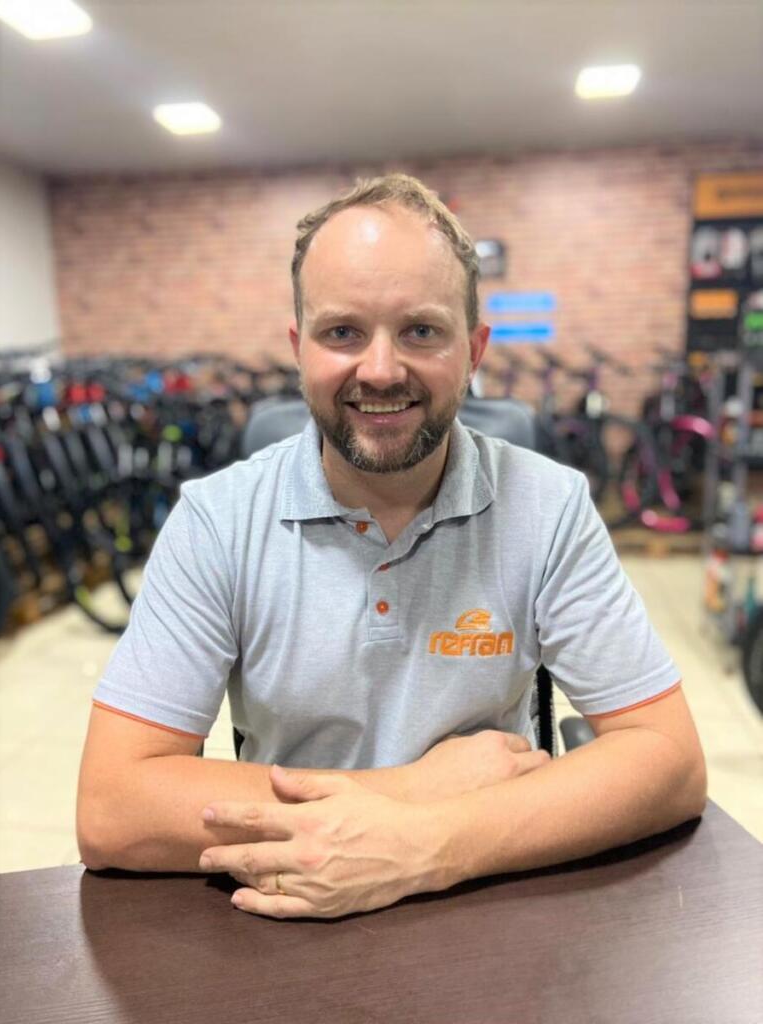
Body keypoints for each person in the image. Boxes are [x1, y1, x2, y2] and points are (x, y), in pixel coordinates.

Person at [77, 173, 707, 920]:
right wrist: (413, 792)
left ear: (473, 350)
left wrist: (429, 845)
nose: (380, 370)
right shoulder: (216, 522)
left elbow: (670, 761)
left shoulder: (550, 507)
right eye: (343, 332)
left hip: (485, 895)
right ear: (299, 350)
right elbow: (113, 806)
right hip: (288, 907)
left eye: (421, 331)